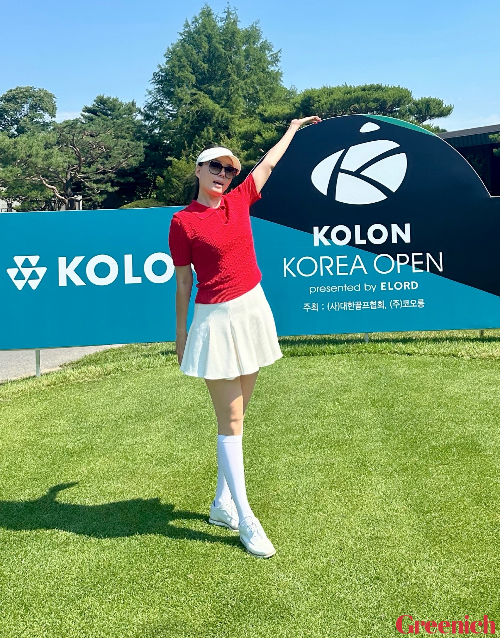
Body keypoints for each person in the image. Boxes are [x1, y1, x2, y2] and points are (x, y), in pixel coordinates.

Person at [168, 115, 321, 559]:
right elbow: (183, 282)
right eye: (215, 167)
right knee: (231, 421)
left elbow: (269, 163)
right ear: (198, 170)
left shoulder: (239, 200)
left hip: (252, 310)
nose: (223, 174)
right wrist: (181, 333)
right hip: (214, 322)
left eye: (229, 169)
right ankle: (246, 519)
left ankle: (221, 503)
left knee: (237, 419)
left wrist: (292, 129)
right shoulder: (182, 222)